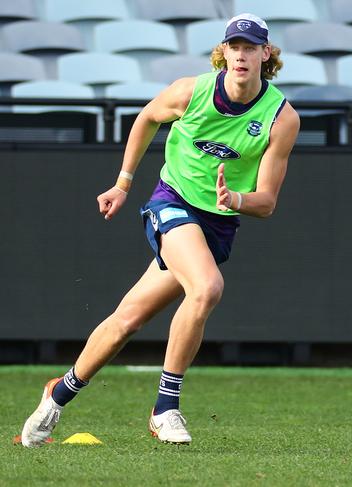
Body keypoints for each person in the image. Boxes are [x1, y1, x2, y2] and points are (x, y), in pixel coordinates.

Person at [19, 13, 299, 447]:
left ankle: (57, 394)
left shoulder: (281, 118)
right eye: (235, 47)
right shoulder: (192, 91)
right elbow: (147, 119)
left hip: (217, 224)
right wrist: (123, 182)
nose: (242, 55)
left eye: (251, 47)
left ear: (267, 54)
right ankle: (166, 408)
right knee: (206, 288)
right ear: (223, 52)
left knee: (128, 319)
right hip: (171, 202)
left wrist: (237, 200)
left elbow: (268, 201)